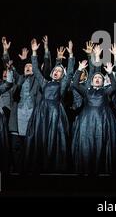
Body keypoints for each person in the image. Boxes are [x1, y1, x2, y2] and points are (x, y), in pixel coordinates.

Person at [23, 38, 73, 173]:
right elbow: (36, 70)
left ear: (62, 75)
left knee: (53, 139)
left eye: (59, 71)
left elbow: (70, 75)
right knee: (40, 137)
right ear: (51, 73)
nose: (56, 72)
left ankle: (54, 167)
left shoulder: (62, 85)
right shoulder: (45, 83)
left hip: (55, 113)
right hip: (41, 112)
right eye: (55, 70)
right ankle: (37, 165)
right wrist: (34, 52)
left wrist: (71, 55)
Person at [71, 57, 116, 175]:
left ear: (103, 82)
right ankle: (86, 168)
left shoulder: (106, 91)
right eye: (95, 78)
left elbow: (115, 87)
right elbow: (76, 85)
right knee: (87, 144)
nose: (97, 79)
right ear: (91, 81)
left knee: (101, 143)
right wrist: (79, 70)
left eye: (100, 78)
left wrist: (110, 73)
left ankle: (101, 169)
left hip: (103, 120)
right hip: (87, 121)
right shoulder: (87, 91)